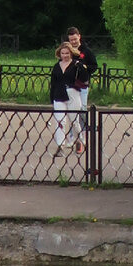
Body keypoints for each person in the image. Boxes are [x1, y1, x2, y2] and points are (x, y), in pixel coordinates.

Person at [50, 28, 94, 173]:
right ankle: (61, 146)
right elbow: (53, 82)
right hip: (59, 95)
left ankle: (80, 140)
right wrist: (52, 99)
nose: (64, 56)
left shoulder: (76, 64)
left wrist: (82, 68)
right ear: (59, 54)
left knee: (74, 120)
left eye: (67, 53)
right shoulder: (56, 66)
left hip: (73, 94)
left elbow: (85, 78)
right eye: (62, 54)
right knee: (60, 121)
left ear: (71, 53)